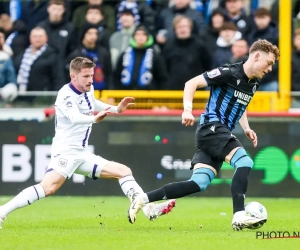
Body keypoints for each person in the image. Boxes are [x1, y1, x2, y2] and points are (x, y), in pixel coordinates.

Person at [0, 57, 175, 228]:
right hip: (66, 151)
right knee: (48, 188)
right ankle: (2, 211)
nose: (90, 80)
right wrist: (93, 119)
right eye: (86, 76)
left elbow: (92, 102)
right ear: (73, 77)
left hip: (81, 153)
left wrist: (116, 109)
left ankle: (147, 209)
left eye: (91, 75)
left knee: (123, 171)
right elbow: (74, 117)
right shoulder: (65, 95)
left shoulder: (88, 89)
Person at [127, 39, 280, 231]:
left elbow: (241, 106)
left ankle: (143, 198)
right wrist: (187, 110)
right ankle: (239, 215)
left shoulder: (254, 83)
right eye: (269, 63)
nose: (270, 69)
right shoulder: (228, 72)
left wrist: (247, 128)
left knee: (198, 183)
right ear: (257, 56)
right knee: (245, 162)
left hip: (217, 134)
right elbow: (191, 83)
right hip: (212, 128)